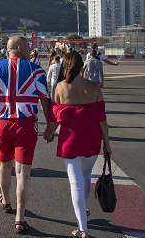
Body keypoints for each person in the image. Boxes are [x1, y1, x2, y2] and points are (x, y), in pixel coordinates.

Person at [0, 36, 51, 234]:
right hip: (26, 125)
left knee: (4, 166)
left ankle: (6, 201)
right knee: (23, 173)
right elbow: (45, 100)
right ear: (18, 47)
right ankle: (20, 218)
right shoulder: (36, 70)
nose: (30, 50)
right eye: (27, 47)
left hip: (2, 124)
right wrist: (51, 125)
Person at [44, 52, 111, 238]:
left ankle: (83, 229)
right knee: (86, 176)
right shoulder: (94, 87)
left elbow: (54, 119)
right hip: (92, 140)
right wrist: (107, 144)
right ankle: (84, 210)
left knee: (75, 183)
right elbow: (102, 120)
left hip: (70, 141)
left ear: (65, 66)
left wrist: (48, 134)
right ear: (82, 67)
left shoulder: (60, 87)